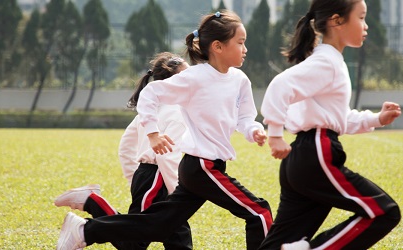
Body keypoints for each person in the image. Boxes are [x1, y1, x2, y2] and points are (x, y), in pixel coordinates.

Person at [56, 10, 272, 250]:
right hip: (202, 166)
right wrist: (153, 134)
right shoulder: (194, 78)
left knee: (160, 225)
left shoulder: (240, 80)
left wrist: (254, 130)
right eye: (240, 43)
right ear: (218, 47)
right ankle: (88, 227)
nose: (245, 49)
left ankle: (85, 230)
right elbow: (150, 93)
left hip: (202, 167)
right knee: (260, 212)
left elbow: (244, 117)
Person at [257, 0, 402, 249]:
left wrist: (376, 119)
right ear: (337, 21)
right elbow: (281, 86)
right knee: (384, 211)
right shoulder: (327, 62)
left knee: (280, 244)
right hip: (317, 153)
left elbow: (337, 117)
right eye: (361, 18)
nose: (366, 26)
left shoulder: (329, 61)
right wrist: (275, 134)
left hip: (302, 157)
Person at [54, 52, 192, 249]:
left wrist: (133, 177)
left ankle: (91, 203)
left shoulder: (151, 111)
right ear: (173, 82)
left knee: (177, 234)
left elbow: (126, 146)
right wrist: (177, 191)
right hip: (158, 180)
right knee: (134, 241)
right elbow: (168, 156)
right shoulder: (178, 111)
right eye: (187, 76)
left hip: (146, 177)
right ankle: (91, 203)